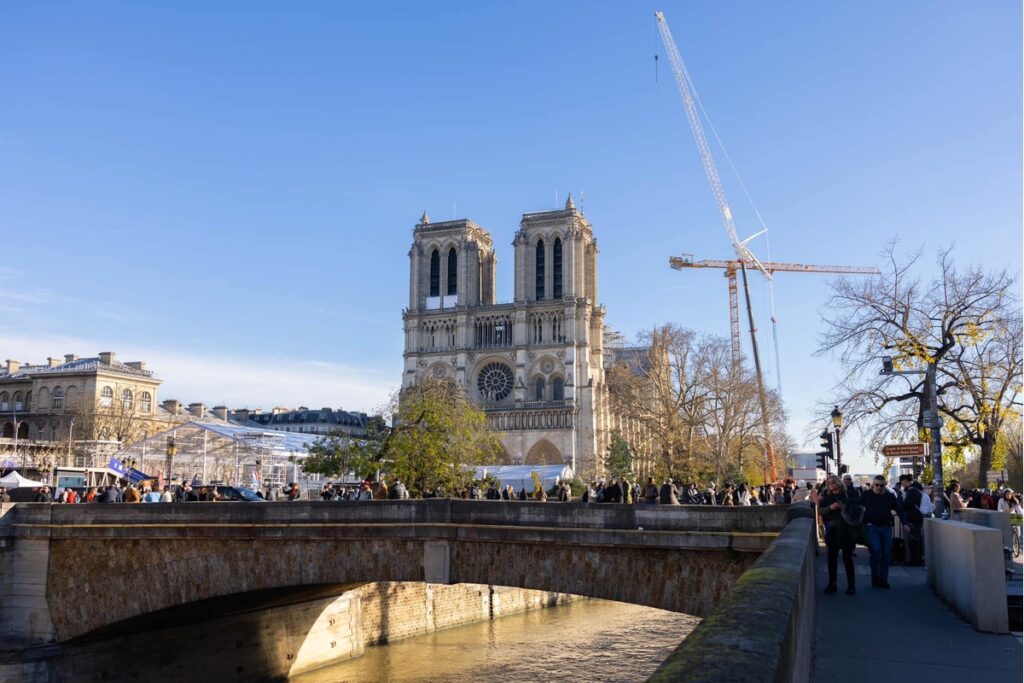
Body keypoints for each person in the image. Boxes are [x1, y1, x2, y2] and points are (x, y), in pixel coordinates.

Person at [861, 475, 910, 588]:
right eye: (876, 485)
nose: (879, 487)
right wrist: (865, 522)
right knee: (876, 551)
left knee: (886, 554)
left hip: (886, 527)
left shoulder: (889, 496)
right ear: (873, 484)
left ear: (885, 485)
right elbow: (859, 509)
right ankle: (875, 578)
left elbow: (899, 510)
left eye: (881, 485)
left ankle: (883, 579)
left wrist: (905, 523)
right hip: (872, 527)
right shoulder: (866, 495)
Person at [819, 474, 859, 595]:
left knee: (847, 558)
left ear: (839, 483)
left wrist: (843, 507)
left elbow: (856, 509)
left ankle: (851, 585)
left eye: (833, 482)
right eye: (829, 483)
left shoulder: (848, 495)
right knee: (832, 558)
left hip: (846, 529)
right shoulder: (828, 497)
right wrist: (831, 507)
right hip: (833, 529)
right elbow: (821, 510)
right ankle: (832, 583)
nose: (831, 485)